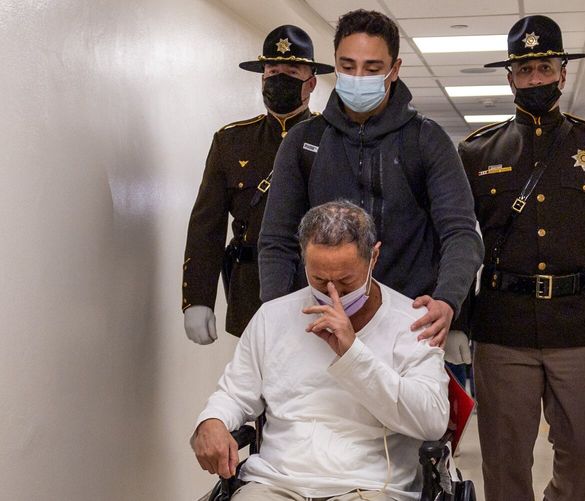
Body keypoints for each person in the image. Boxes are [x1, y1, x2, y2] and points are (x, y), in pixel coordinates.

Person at [458, 15, 585, 501]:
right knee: (503, 453)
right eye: (525, 71)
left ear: (563, 72)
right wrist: (460, 319)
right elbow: (462, 241)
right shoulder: (478, 152)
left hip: (579, 323)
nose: (536, 79)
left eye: (545, 67)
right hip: (504, 326)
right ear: (510, 79)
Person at [192, 200, 449, 501]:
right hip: (279, 481)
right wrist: (212, 420)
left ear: (374, 257)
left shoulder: (413, 323)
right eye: (319, 279)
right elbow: (234, 394)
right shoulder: (272, 318)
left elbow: (432, 420)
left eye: (345, 282)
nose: (332, 294)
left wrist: (353, 352)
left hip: (369, 485)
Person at [258, 9, 483, 347]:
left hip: (409, 323)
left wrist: (448, 301)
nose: (358, 76)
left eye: (373, 68)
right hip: (320, 325)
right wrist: (274, 312)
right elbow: (276, 239)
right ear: (335, 63)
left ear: (395, 69)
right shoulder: (304, 141)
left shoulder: (427, 140)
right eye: (348, 66)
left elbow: (461, 232)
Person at [182, 25, 334, 344]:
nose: (279, 78)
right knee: (257, 389)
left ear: (311, 83)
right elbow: (206, 226)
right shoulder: (231, 142)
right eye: (272, 70)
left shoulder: (333, 138)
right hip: (251, 290)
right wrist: (198, 298)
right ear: (262, 78)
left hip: (320, 288)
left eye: (291, 71)